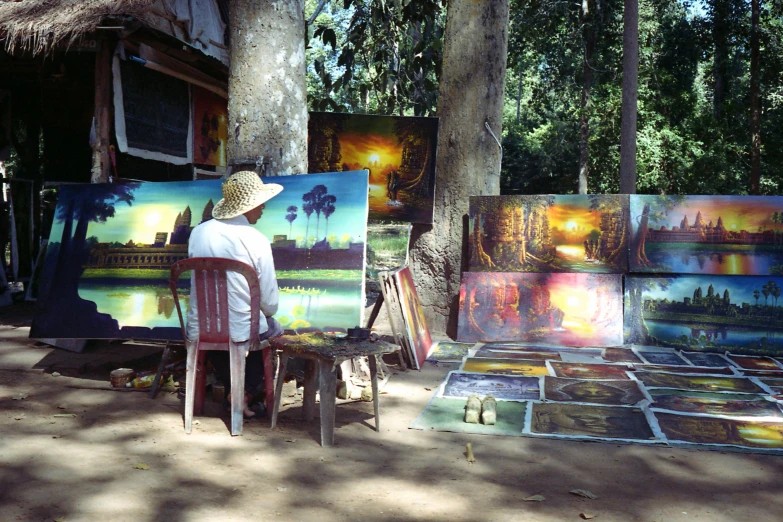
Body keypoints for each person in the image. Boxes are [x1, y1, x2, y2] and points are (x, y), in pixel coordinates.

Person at [187, 170, 284, 419]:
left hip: (201, 327)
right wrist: (268, 314)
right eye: (260, 203)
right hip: (242, 329)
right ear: (248, 206)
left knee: (225, 336)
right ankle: (244, 394)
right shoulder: (256, 239)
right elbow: (270, 303)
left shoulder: (198, 233)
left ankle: (235, 391)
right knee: (273, 328)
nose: (263, 208)